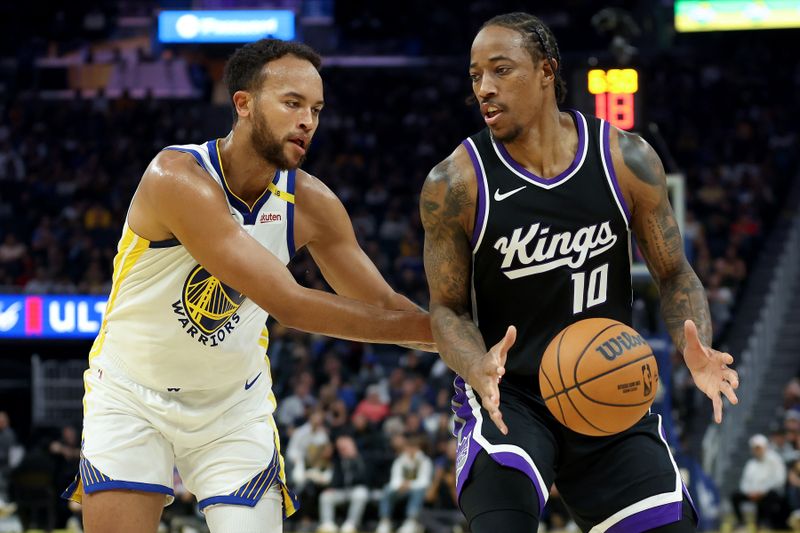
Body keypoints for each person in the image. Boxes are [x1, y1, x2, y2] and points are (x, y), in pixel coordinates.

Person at [63, 38, 434, 533]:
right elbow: (289, 304)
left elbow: (386, 304)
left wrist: (469, 344)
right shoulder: (176, 176)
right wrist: (445, 336)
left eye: (317, 110)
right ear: (243, 104)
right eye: (293, 103)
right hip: (132, 394)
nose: (308, 121)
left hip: (232, 407)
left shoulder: (313, 205)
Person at [420, 12, 739, 533]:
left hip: (609, 386)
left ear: (547, 71)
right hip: (511, 395)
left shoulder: (625, 159)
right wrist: (475, 365)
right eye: (476, 76)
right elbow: (448, 307)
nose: (485, 88)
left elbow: (675, 273)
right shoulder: (455, 183)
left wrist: (694, 346)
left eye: (501, 70)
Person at [730, 434, 787, 530]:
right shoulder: (750, 464)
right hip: (752, 493)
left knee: (769, 496)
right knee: (735, 496)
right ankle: (741, 523)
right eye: (755, 448)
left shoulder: (774, 460)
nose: (757, 451)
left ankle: (764, 523)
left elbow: (779, 479)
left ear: (765, 447)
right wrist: (749, 493)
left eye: (759, 448)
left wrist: (762, 491)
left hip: (769, 493)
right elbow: (744, 482)